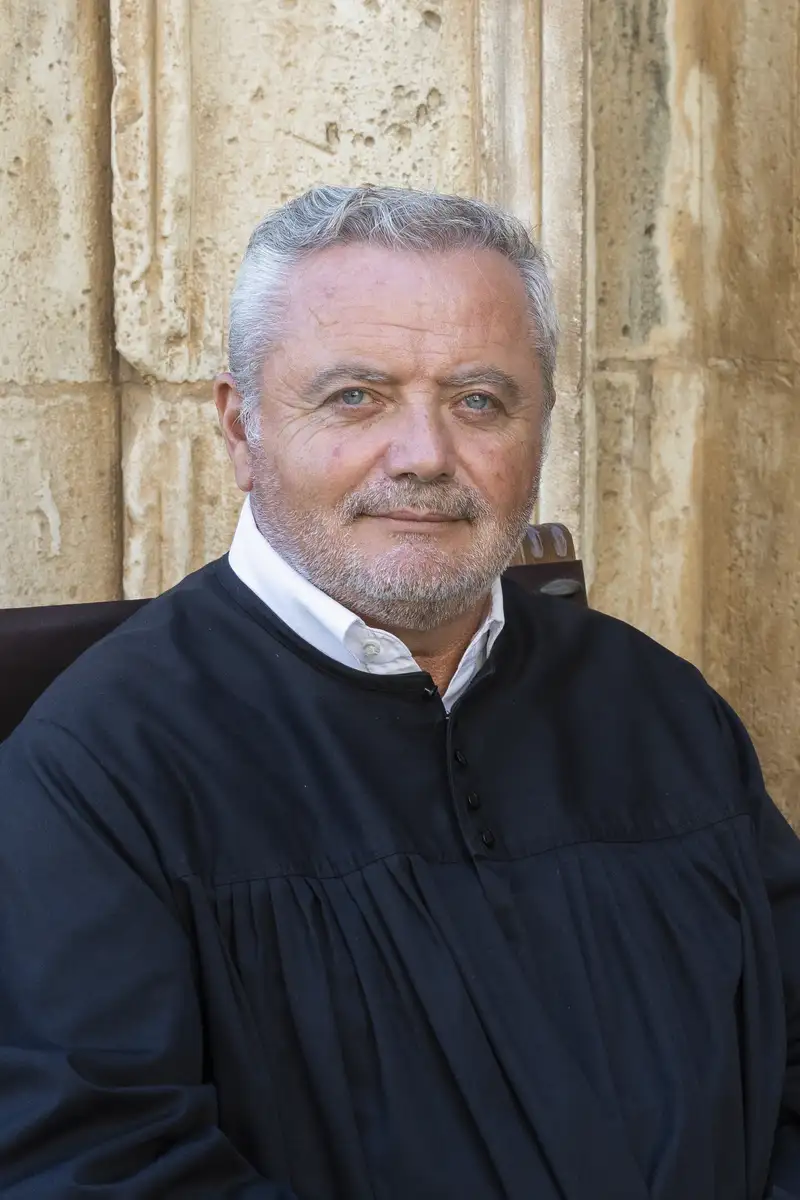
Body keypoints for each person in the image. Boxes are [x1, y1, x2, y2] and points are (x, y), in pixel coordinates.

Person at [0, 185, 798, 1200]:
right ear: (241, 428)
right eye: (355, 397)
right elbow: (95, 1163)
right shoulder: (101, 773)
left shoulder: (658, 712)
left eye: (479, 401)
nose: (424, 456)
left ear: (541, 428)